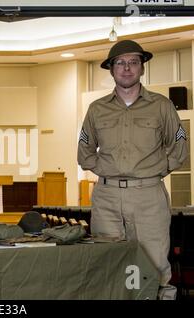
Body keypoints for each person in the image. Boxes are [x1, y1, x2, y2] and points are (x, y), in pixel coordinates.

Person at [77, 40, 188, 300]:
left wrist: (154, 171)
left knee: (155, 261)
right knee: (109, 260)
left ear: (142, 68)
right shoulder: (96, 109)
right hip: (107, 197)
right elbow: (85, 151)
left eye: (133, 62)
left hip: (148, 195)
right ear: (111, 69)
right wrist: (108, 173)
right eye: (120, 63)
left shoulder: (162, 106)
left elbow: (180, 147)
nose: (127, 68)